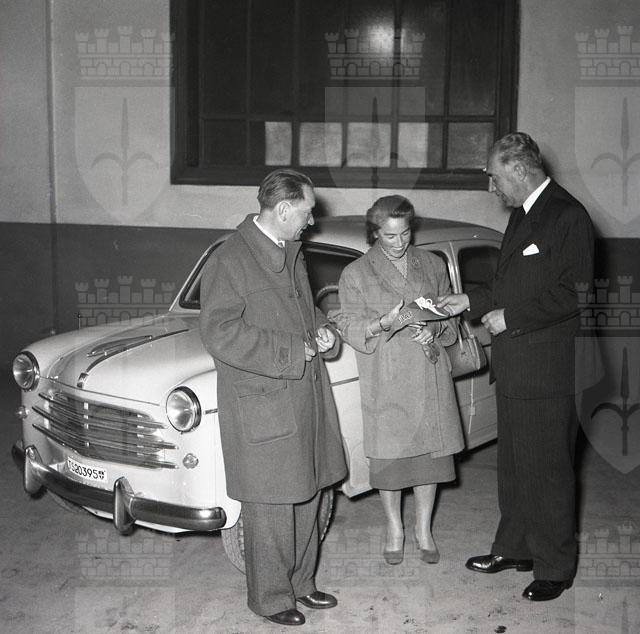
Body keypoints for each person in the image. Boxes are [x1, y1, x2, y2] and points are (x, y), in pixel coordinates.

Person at [438, 132, 594, 601]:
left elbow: (576, 292)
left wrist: (512, 317)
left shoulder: (567, 216)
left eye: (494, 176)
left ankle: (555, 566)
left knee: (548, 471)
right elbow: (511, 285)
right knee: (514, 466)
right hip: (516, 366)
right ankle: (514, 548)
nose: (491, 186)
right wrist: (470, 300)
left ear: (520, 170)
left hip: (547, 369)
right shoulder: (524, 214)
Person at [199, 169, 347, 626]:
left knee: (310, 492)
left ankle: (302, 583)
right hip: (264, 401)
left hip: (304, 396)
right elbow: (220, 332)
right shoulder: (230, 259)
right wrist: (291, 351)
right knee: (272, 505)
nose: (311, 220)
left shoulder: (290, 251)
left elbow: (306, 313)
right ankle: (271, 598)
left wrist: (324, 331)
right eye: (306, 212)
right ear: (283, 210)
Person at [331, 195, 464, 565]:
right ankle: (394, 529)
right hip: (386, 378)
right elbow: (347, 325)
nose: (399, 242)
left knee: (429, 459)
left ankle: (423, 529)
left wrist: (436, 330)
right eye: (389, 236)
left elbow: (450, 316)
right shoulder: (356, 273)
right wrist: (381, 323)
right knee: (389, 462)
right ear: (374, 233)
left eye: (404, 233)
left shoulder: (432, 264)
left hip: (428, 373)